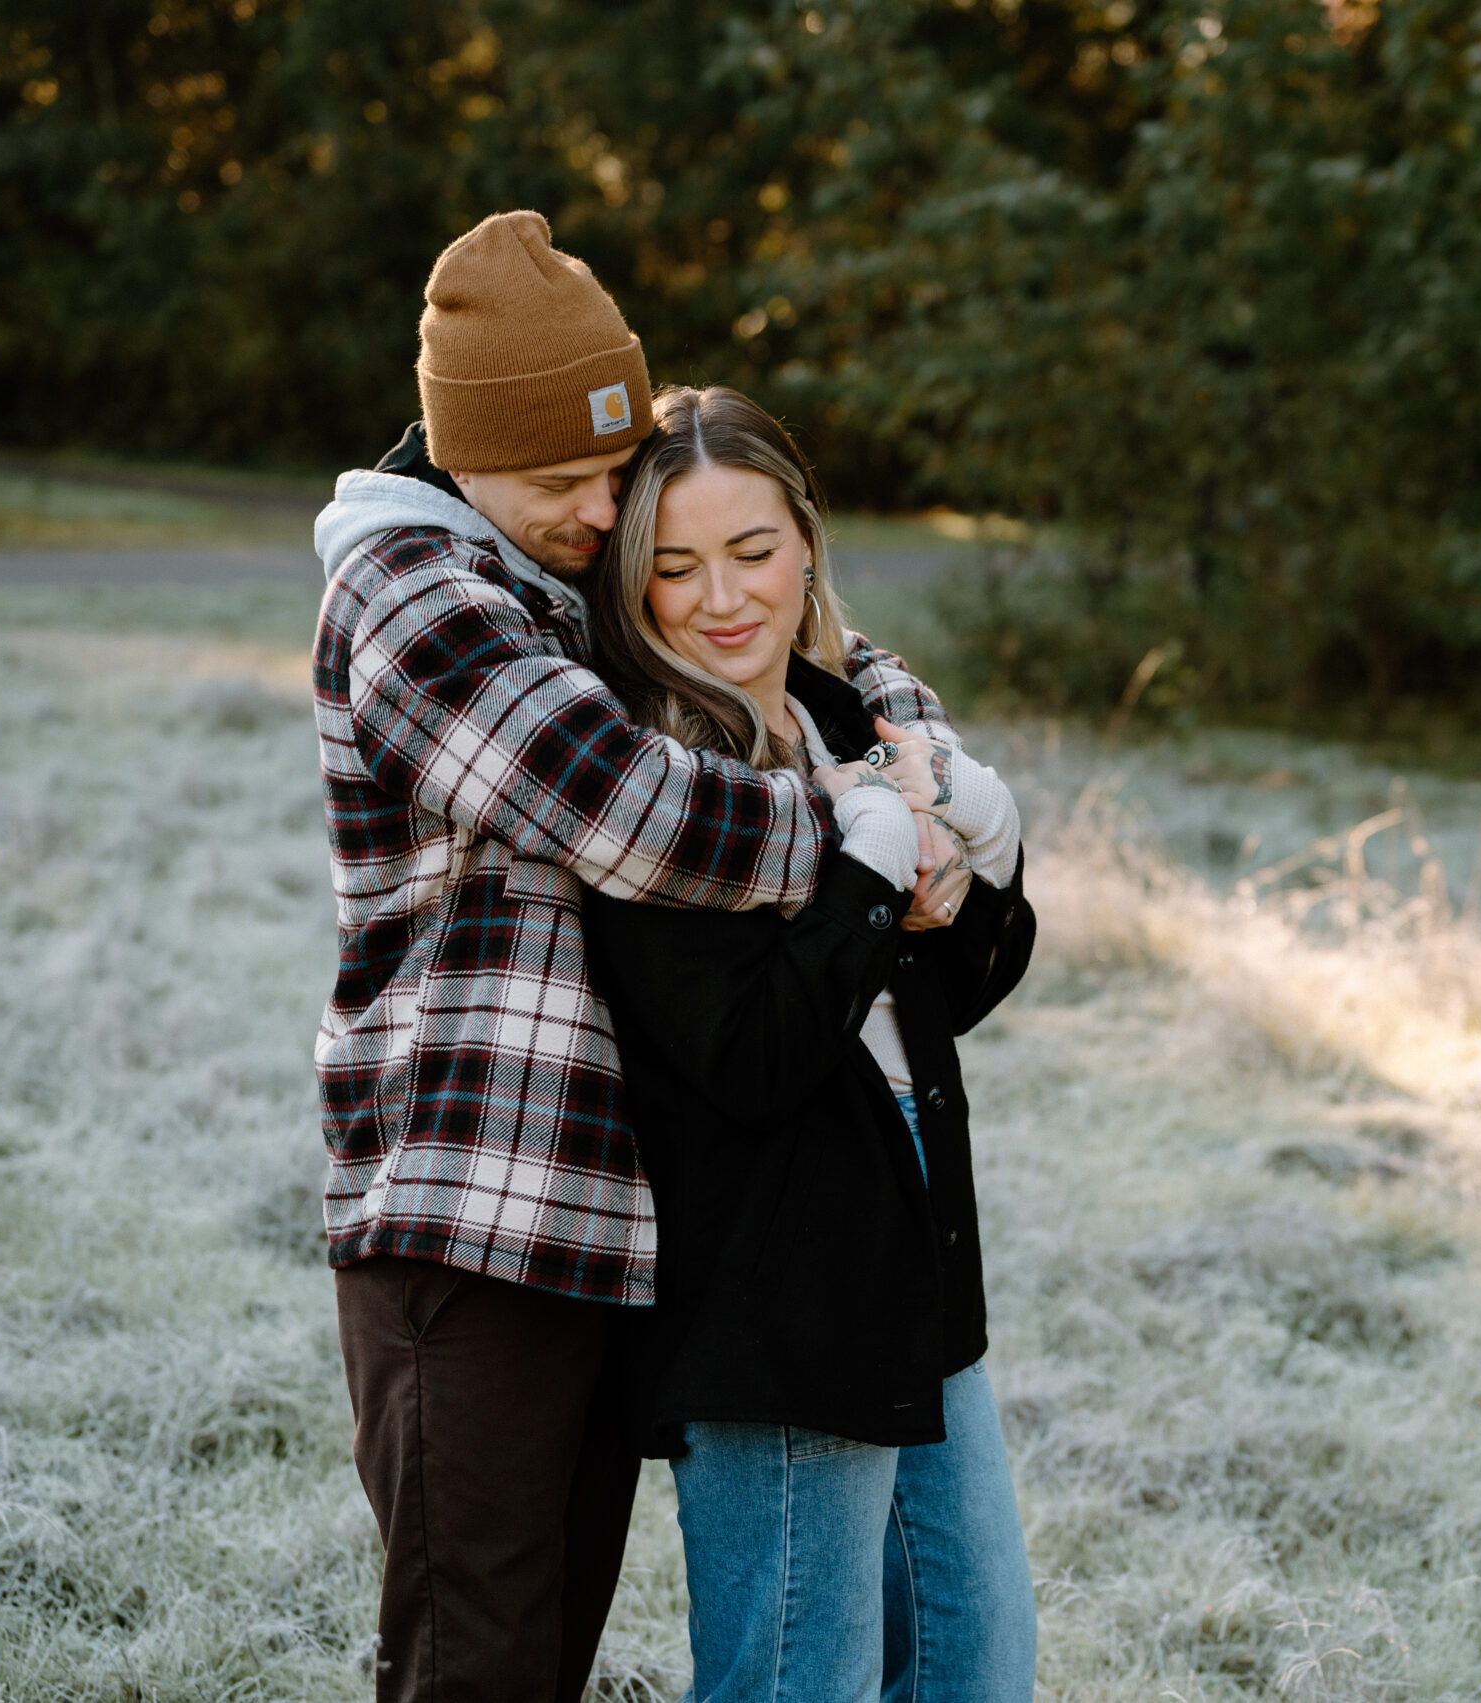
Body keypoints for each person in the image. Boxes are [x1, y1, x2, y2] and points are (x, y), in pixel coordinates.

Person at [307, 212, 978, 1703]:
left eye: (615, 473)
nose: (607, 513)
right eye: (566, 481)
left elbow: (799, 642)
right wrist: (866, 832)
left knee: (550, 1647)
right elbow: (629, 810)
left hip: (602, 1215)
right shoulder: (415, 596)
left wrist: (919, 751)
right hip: (464, 1205)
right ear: (460, 448)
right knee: (474, 1656)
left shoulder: (546, 572)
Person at [582, 386, 1038, 1703]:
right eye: (674, 566)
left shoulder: (844, 725)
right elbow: (757, 1058)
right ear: (633, 580)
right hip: (778, 1294)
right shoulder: (652, 773)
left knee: (976, 1667)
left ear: (808, 546)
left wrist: (987, 851)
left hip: (917, 1258)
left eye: (753, 551)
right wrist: (867, 868)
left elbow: (939, 995)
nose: (721, 598)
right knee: (800, 1684)